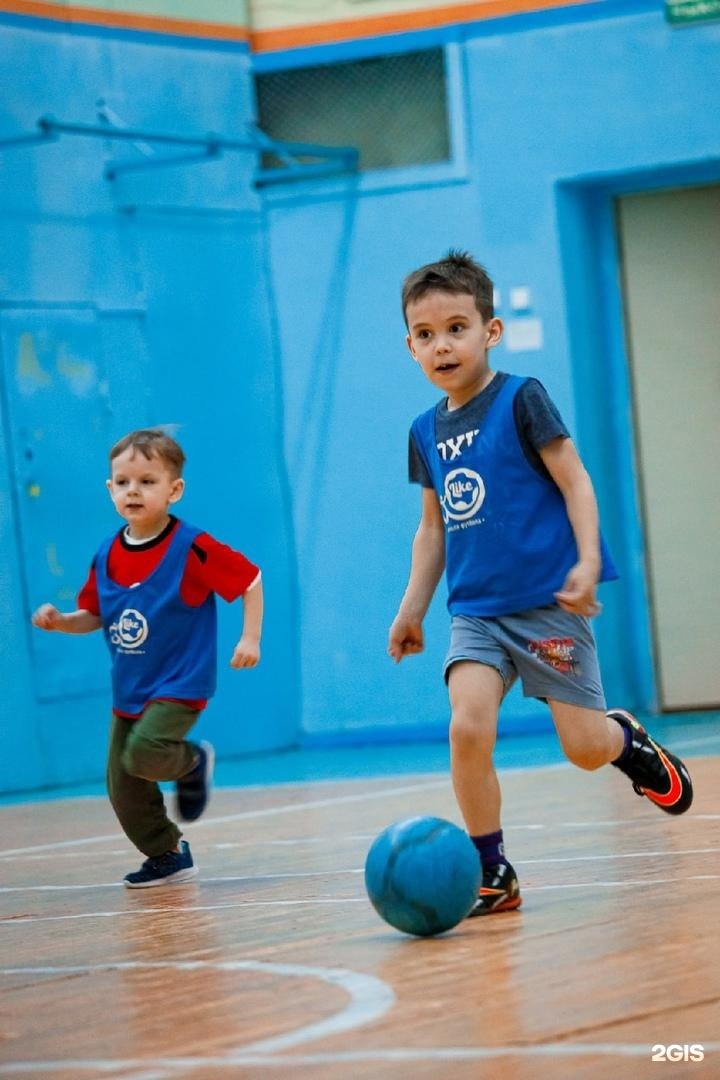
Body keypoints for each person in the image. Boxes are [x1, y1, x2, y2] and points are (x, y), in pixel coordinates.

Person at [387, 251, 693, 916]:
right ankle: (493, 869)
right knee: (467, 726)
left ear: (490, 332)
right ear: (410, 345)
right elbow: (433, 530)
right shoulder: (423, 431)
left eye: (457, 328)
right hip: (476, 613)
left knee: (584, 751)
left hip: (548, 607)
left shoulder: (522, 398)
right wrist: (412, 607)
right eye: (426, 334)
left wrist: (586, 561)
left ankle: (627, 742)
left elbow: (574, 478)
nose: (443, 344)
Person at [32, 428, 263, 889]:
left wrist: (250, 639)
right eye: (123, 482)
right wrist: (62, 621)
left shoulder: (192, 548)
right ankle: (168, 854)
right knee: (122, 784)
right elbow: (94, 615)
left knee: (145, 753)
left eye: (146, 481)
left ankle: (192, 763)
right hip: (131, 688)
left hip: (180, 682)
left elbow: (250, 580)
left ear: (174, 490)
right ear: (110, 489)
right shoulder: (107, 553)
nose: (132, 490)